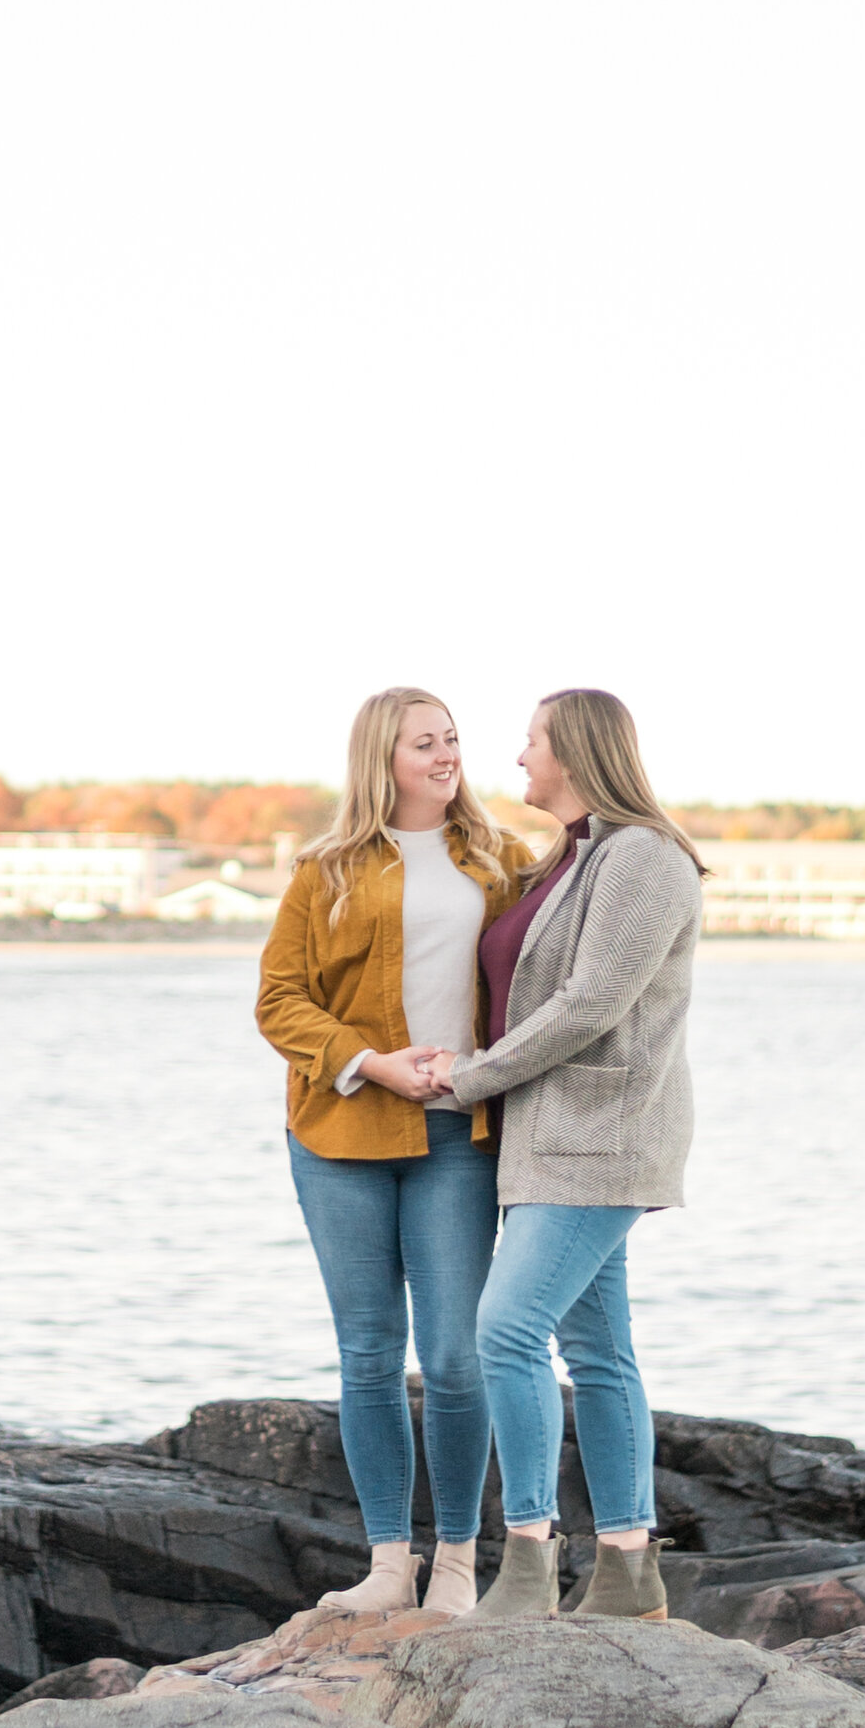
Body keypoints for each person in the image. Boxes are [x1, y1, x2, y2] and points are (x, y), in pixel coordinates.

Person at [393, 686, 703, 1624]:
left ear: (574, 749)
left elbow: (589, 1004)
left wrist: (470, 1078)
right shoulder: (568, 861)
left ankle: (527, 1558)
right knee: (599, 1350)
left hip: (601, 1138)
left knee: (506, 1331)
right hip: (543, 1142)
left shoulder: (643, 858)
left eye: (531, 741)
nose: (518, 758)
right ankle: (628, 1572)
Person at [256, 688, 530, 1618]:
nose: (446, 755)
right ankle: (387, 1564)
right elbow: (279, 1002)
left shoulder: (502, 862)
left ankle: (456, 1561)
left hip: (458, 1134)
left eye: (452, 739)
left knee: (457, 1356)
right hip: (340, 1136)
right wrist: (371, 1063)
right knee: (370, 1353)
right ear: (384, 757)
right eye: (425, 743)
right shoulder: (322, 870)